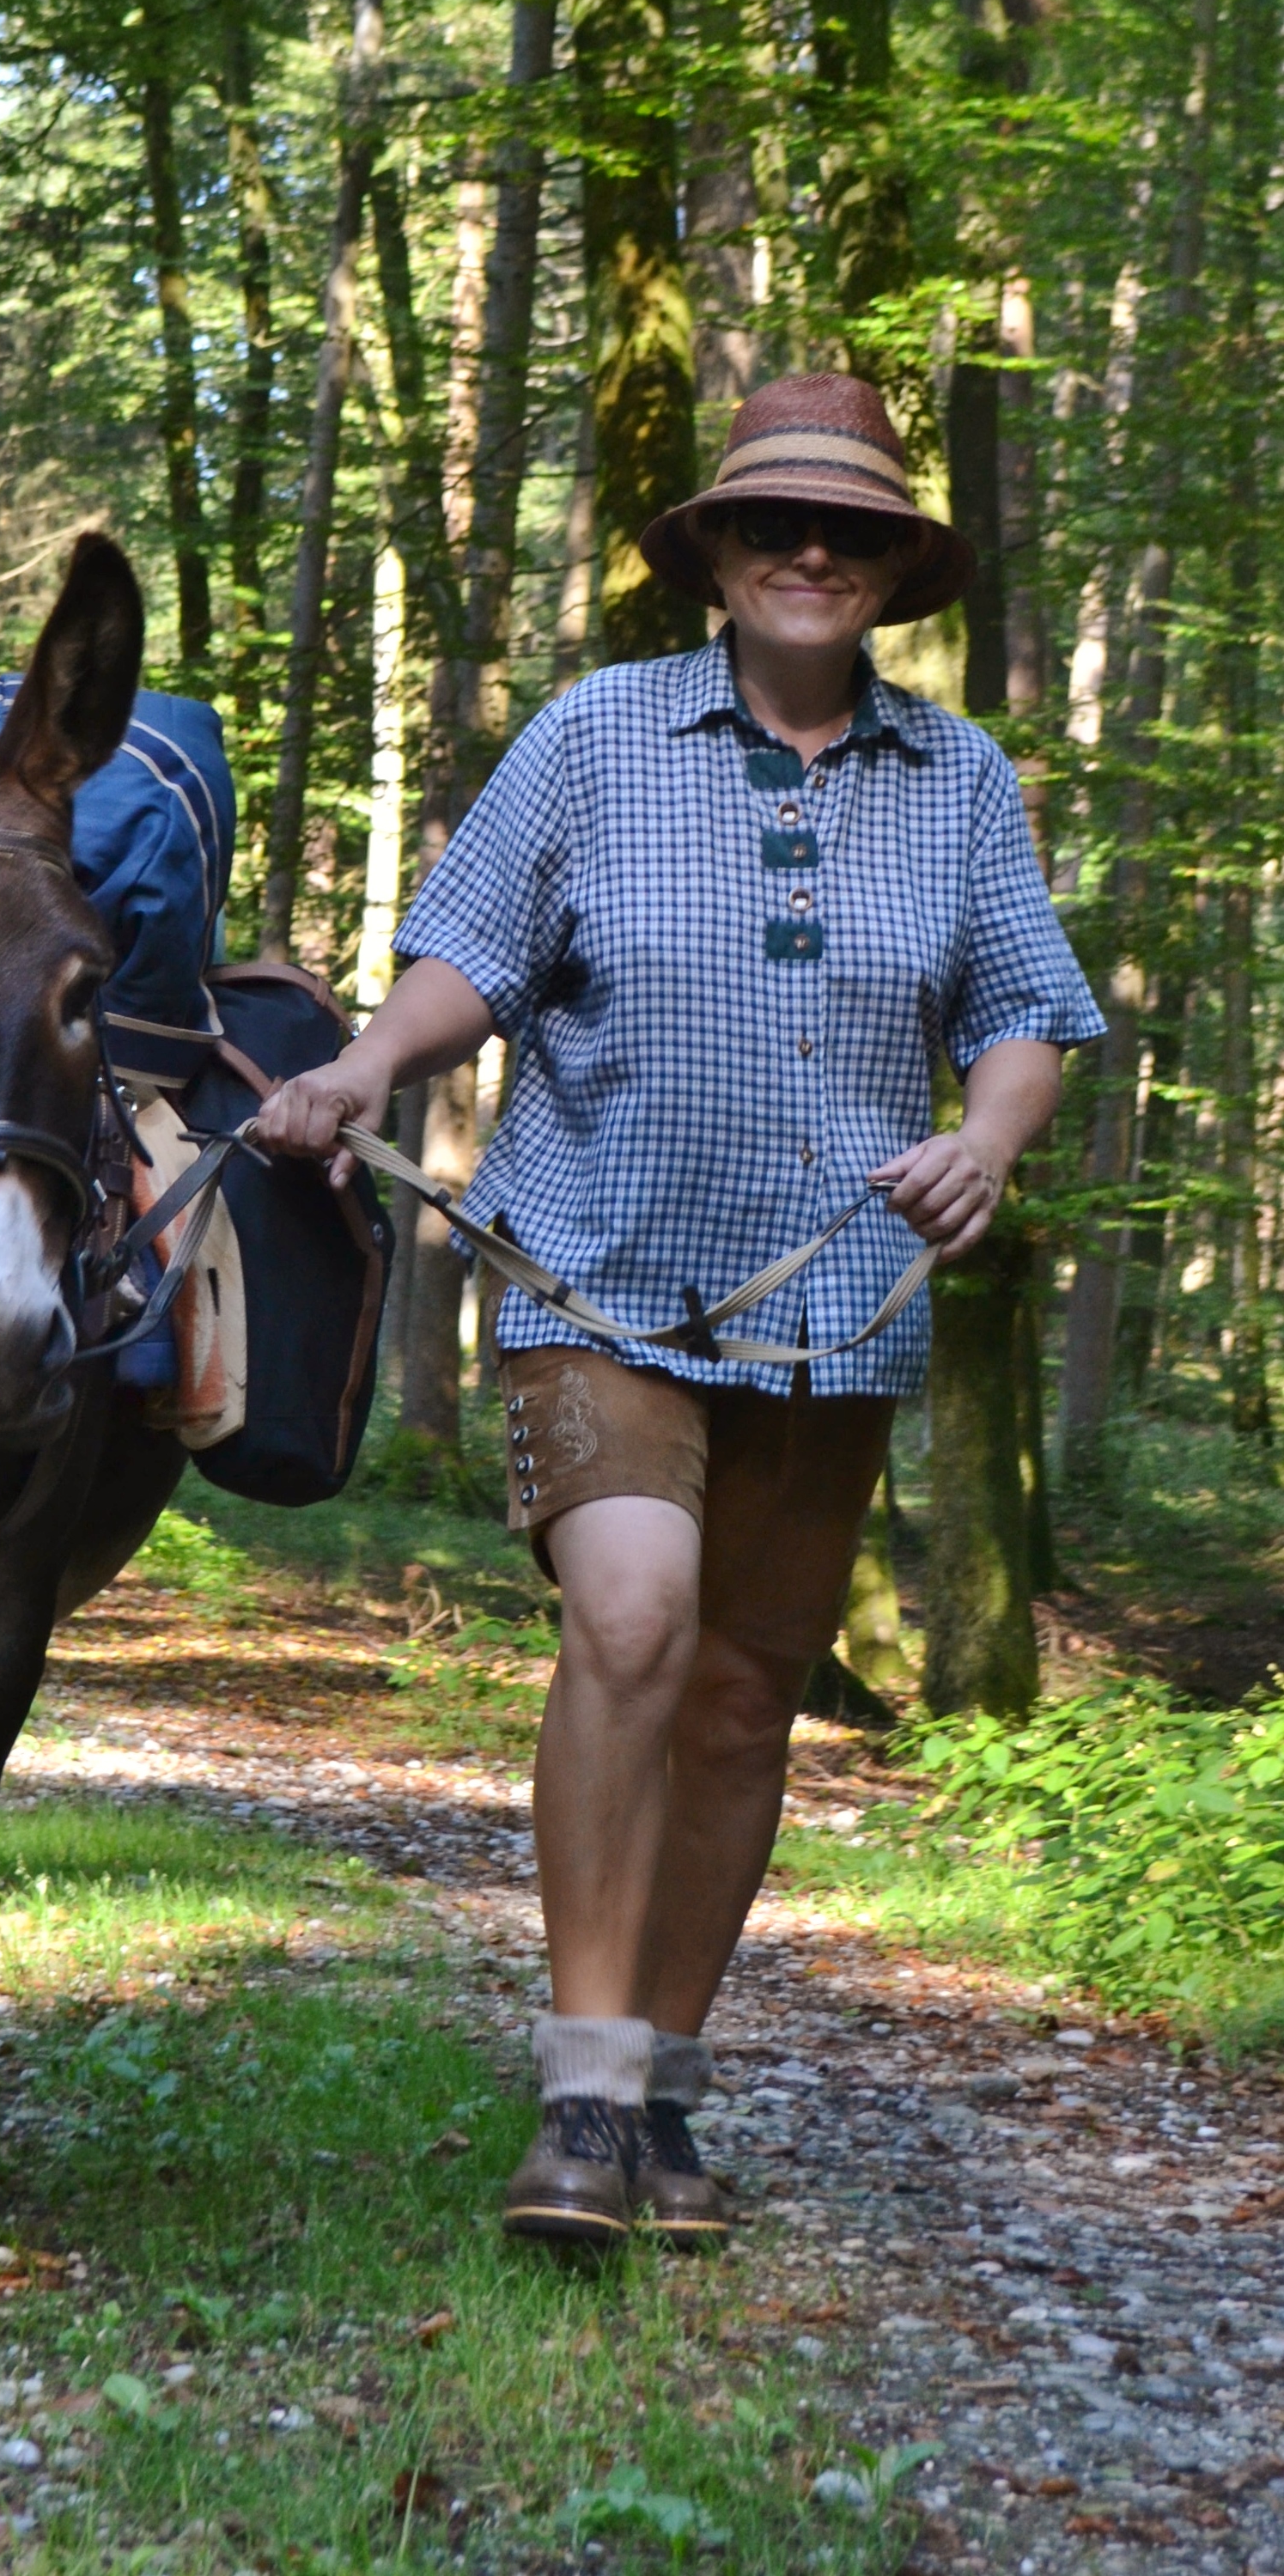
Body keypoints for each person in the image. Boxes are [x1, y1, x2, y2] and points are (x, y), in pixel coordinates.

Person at [257, 372, 1102, 2251]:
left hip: (839, 1314)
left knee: (740, 1704)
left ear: (890, 570)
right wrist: (364, 1073)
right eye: (775, 524)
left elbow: (1029, 1013)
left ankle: (668, 2097)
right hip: (599, 1275)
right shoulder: (596, 737)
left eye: (854, 530)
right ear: (716, 553)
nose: (813, 551)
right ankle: (579, 2091)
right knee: (637, 1622)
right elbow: (467, 951)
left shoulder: (957, 779)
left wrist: (984, 1138)